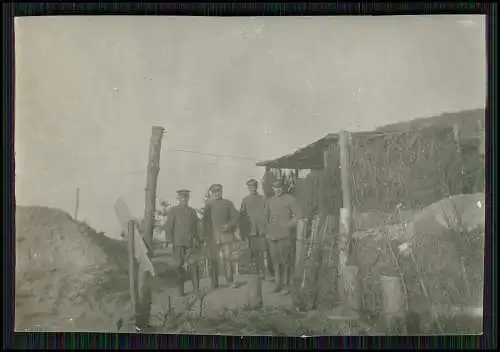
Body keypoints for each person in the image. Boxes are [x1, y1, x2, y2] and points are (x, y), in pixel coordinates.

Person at [265, 180, 302, 294]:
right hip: (272, 236)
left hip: (285, 235)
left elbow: (299, 217)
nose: (277, 190)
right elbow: (266, 217)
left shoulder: (291, 199)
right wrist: (269, 228)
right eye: (275, 187)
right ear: (272, 188)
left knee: (286, 260)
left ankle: (287, 285)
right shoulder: (270, 201)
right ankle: (278, 284)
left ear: (283, 188)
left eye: (280, 187)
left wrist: (287, 225)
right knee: (276, 260)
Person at [163, 189, 201, 296]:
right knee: (178, 266)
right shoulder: (173, 211)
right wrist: (169, 240)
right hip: (178, 243)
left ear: (188, 198)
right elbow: (168, 226)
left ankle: (196, 289)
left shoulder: (192, 211)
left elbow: (196, 227)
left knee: (194, 265)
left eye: (186, 197)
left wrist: (198, 240)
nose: (185, 199)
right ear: (178, 199)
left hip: (190, 243)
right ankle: (181, 291)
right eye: (182, 197)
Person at [202, 183, 239, 289]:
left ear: (222, 192)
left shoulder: (228, 203)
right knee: (213, 260)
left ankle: (230, 281)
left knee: (228, 259)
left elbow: (235, 217)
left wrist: (229, 225)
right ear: (212, 193)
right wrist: (205, 237)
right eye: (215, 192)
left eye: (219, 192)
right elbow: (205, 222)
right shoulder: (209, 205)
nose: (217, 194)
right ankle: (214, 283)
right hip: (213, 237)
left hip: (227, 237)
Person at [239, 178, 271, 279]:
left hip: (262, 229)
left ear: (256, 187)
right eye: (250, 187)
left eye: (254, 186)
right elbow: (242, 216)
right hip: (251, 230)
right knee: (254, 251)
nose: (252, 188)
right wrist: (243, 232)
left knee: (264, 251)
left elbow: (268, 213)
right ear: (248, 188)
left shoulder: (263, 199)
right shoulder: (245, 200)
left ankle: (265, 271)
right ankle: (257, 271)